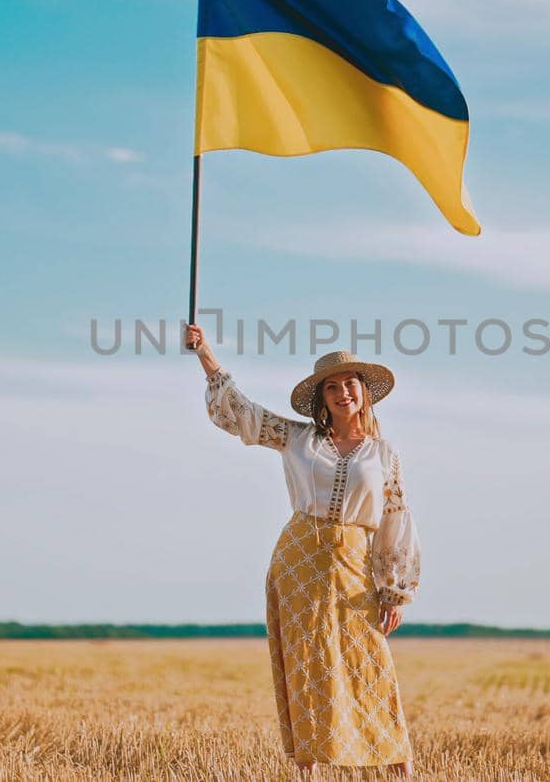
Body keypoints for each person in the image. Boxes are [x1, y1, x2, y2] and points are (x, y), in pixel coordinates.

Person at [185, 324, 421, 778]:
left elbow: (395, 516)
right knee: (305, 662)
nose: (341, 392)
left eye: (349, 383)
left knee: (370, 663)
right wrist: (206, 356)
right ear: (321, 399)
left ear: (364, 393)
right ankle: (307, 771)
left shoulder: (385, 454)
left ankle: (397, 767)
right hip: (299, 561)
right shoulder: (299, 439)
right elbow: (243, 414)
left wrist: (395, 590)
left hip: (355, 562)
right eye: (331, 387)